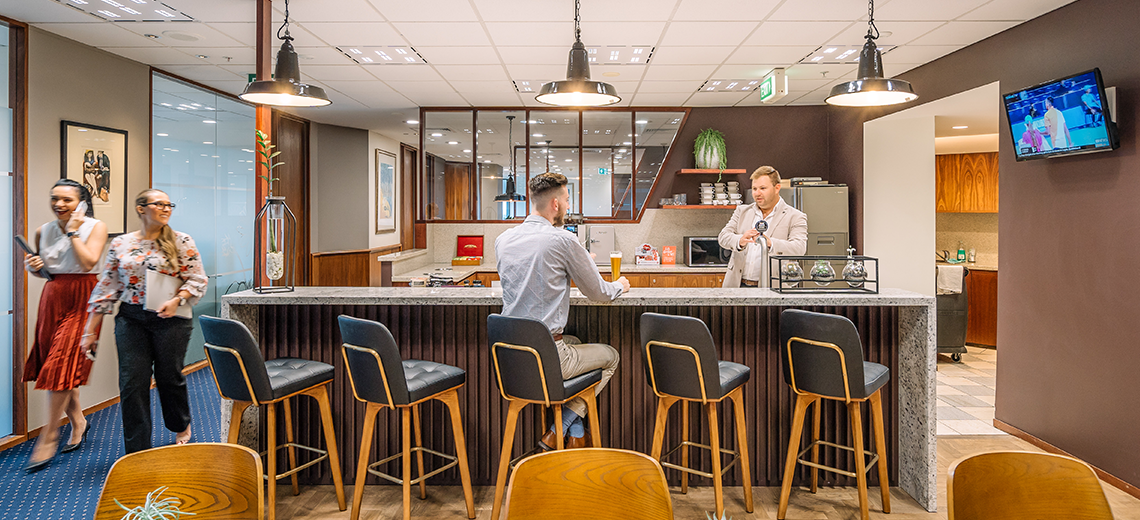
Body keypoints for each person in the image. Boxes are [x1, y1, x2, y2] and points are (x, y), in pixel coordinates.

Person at [494, 172, 630, 450]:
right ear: (555, 204)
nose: (568, 206)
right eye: (567, 200)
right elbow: (600, 294)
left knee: (576, 342)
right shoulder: (563, 240)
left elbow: (536, 277)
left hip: (511, 357)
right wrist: (620, 285)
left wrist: (576, 262)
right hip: (548, 358)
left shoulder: (504, 239)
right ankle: (562, 426)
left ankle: (575, 432)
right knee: (612, 357)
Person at [82, 189, 207, 454]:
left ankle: (179, 423)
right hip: (132, 319)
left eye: (168, 204)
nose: (165, 208)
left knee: (168, 377)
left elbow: (197, 279)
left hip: (172, 318)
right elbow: (107, 287)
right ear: (141, 208)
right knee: (132, 383)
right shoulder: (121, 244)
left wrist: (178, 299)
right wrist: (90, 331)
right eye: (158, 204)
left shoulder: (181, 240)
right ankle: (137, 450)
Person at [22, 179, 108, 472]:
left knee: (61, 363)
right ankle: (78, 420)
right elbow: (46, 272)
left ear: (81, 203)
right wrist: (34, 268)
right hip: (53, 296)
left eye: (67, 200)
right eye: (54, 199)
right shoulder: (41, 231)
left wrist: (73, 231)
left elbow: (88, 263)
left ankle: (49, 435)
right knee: (54, 362)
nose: (59, 204)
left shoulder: (94, 227)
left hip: (85, 296)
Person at [718, 166, 807, 288]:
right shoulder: (742, 211)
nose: (757, 193)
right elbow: (723, 237)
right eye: (754, 188)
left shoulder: (795, 216)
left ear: (777, 188)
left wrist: (770, 243)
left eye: (763, 188)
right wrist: (740, 240)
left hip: (773, 289)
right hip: (737, 287)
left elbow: (799, 249)